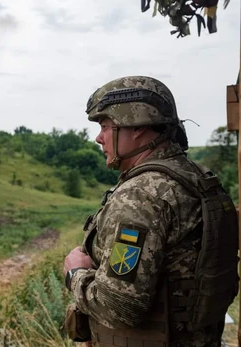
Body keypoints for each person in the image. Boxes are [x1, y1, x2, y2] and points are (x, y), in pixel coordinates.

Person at [63, 75, 239, 346]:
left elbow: (120, 307)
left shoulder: (142, 194)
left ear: (135, 126)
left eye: (105, 125)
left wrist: (75, 274)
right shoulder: (197, 179)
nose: (99, 138)